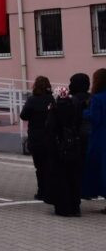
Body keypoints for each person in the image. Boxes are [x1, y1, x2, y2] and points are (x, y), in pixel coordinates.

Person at [44, 86, 83, 217]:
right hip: (74, 146)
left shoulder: (54, 109)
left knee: (60, 177)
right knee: (74, 177)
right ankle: (75, 207)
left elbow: (50, 129)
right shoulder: (74, 107)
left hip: (58, 148)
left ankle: (63, 208)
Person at [21, 76, 53, 200]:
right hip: (50, 136)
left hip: (36, 137)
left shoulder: (32, 100)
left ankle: (42, 191)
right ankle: (51, 190)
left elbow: (23, 116)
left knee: (40, 167)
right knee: (50, 165)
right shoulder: (51, 99)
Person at [82, 68, 106, 214]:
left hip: (100, 138)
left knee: (101, 170)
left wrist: (83, 112)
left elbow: (95, 118)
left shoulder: (97, 98)